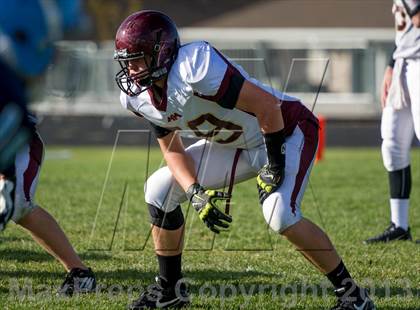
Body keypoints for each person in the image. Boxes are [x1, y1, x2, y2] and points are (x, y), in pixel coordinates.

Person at [114, 10, 376, 310]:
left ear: (161, 53)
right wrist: (195, 192)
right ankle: (170, 290)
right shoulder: (139, 98)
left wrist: (274, 167)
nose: (130, 70)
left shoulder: (195, 65)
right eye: (126, 61)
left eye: (136, 59)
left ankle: (353, 296)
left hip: (285, 131)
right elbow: (172, 149)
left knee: (280, 214)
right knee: (158, 190)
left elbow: (267, 107)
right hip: (236, 144)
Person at [0, 0, 96, 296]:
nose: (51, 53)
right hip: (14, 133)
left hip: (18, 143)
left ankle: (79, 271)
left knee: (18, 204)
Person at [364, 0, 420, 244]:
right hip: (403, 63)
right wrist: (390, 63)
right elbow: (407, 28)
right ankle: (400, 225)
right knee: (392, 143)